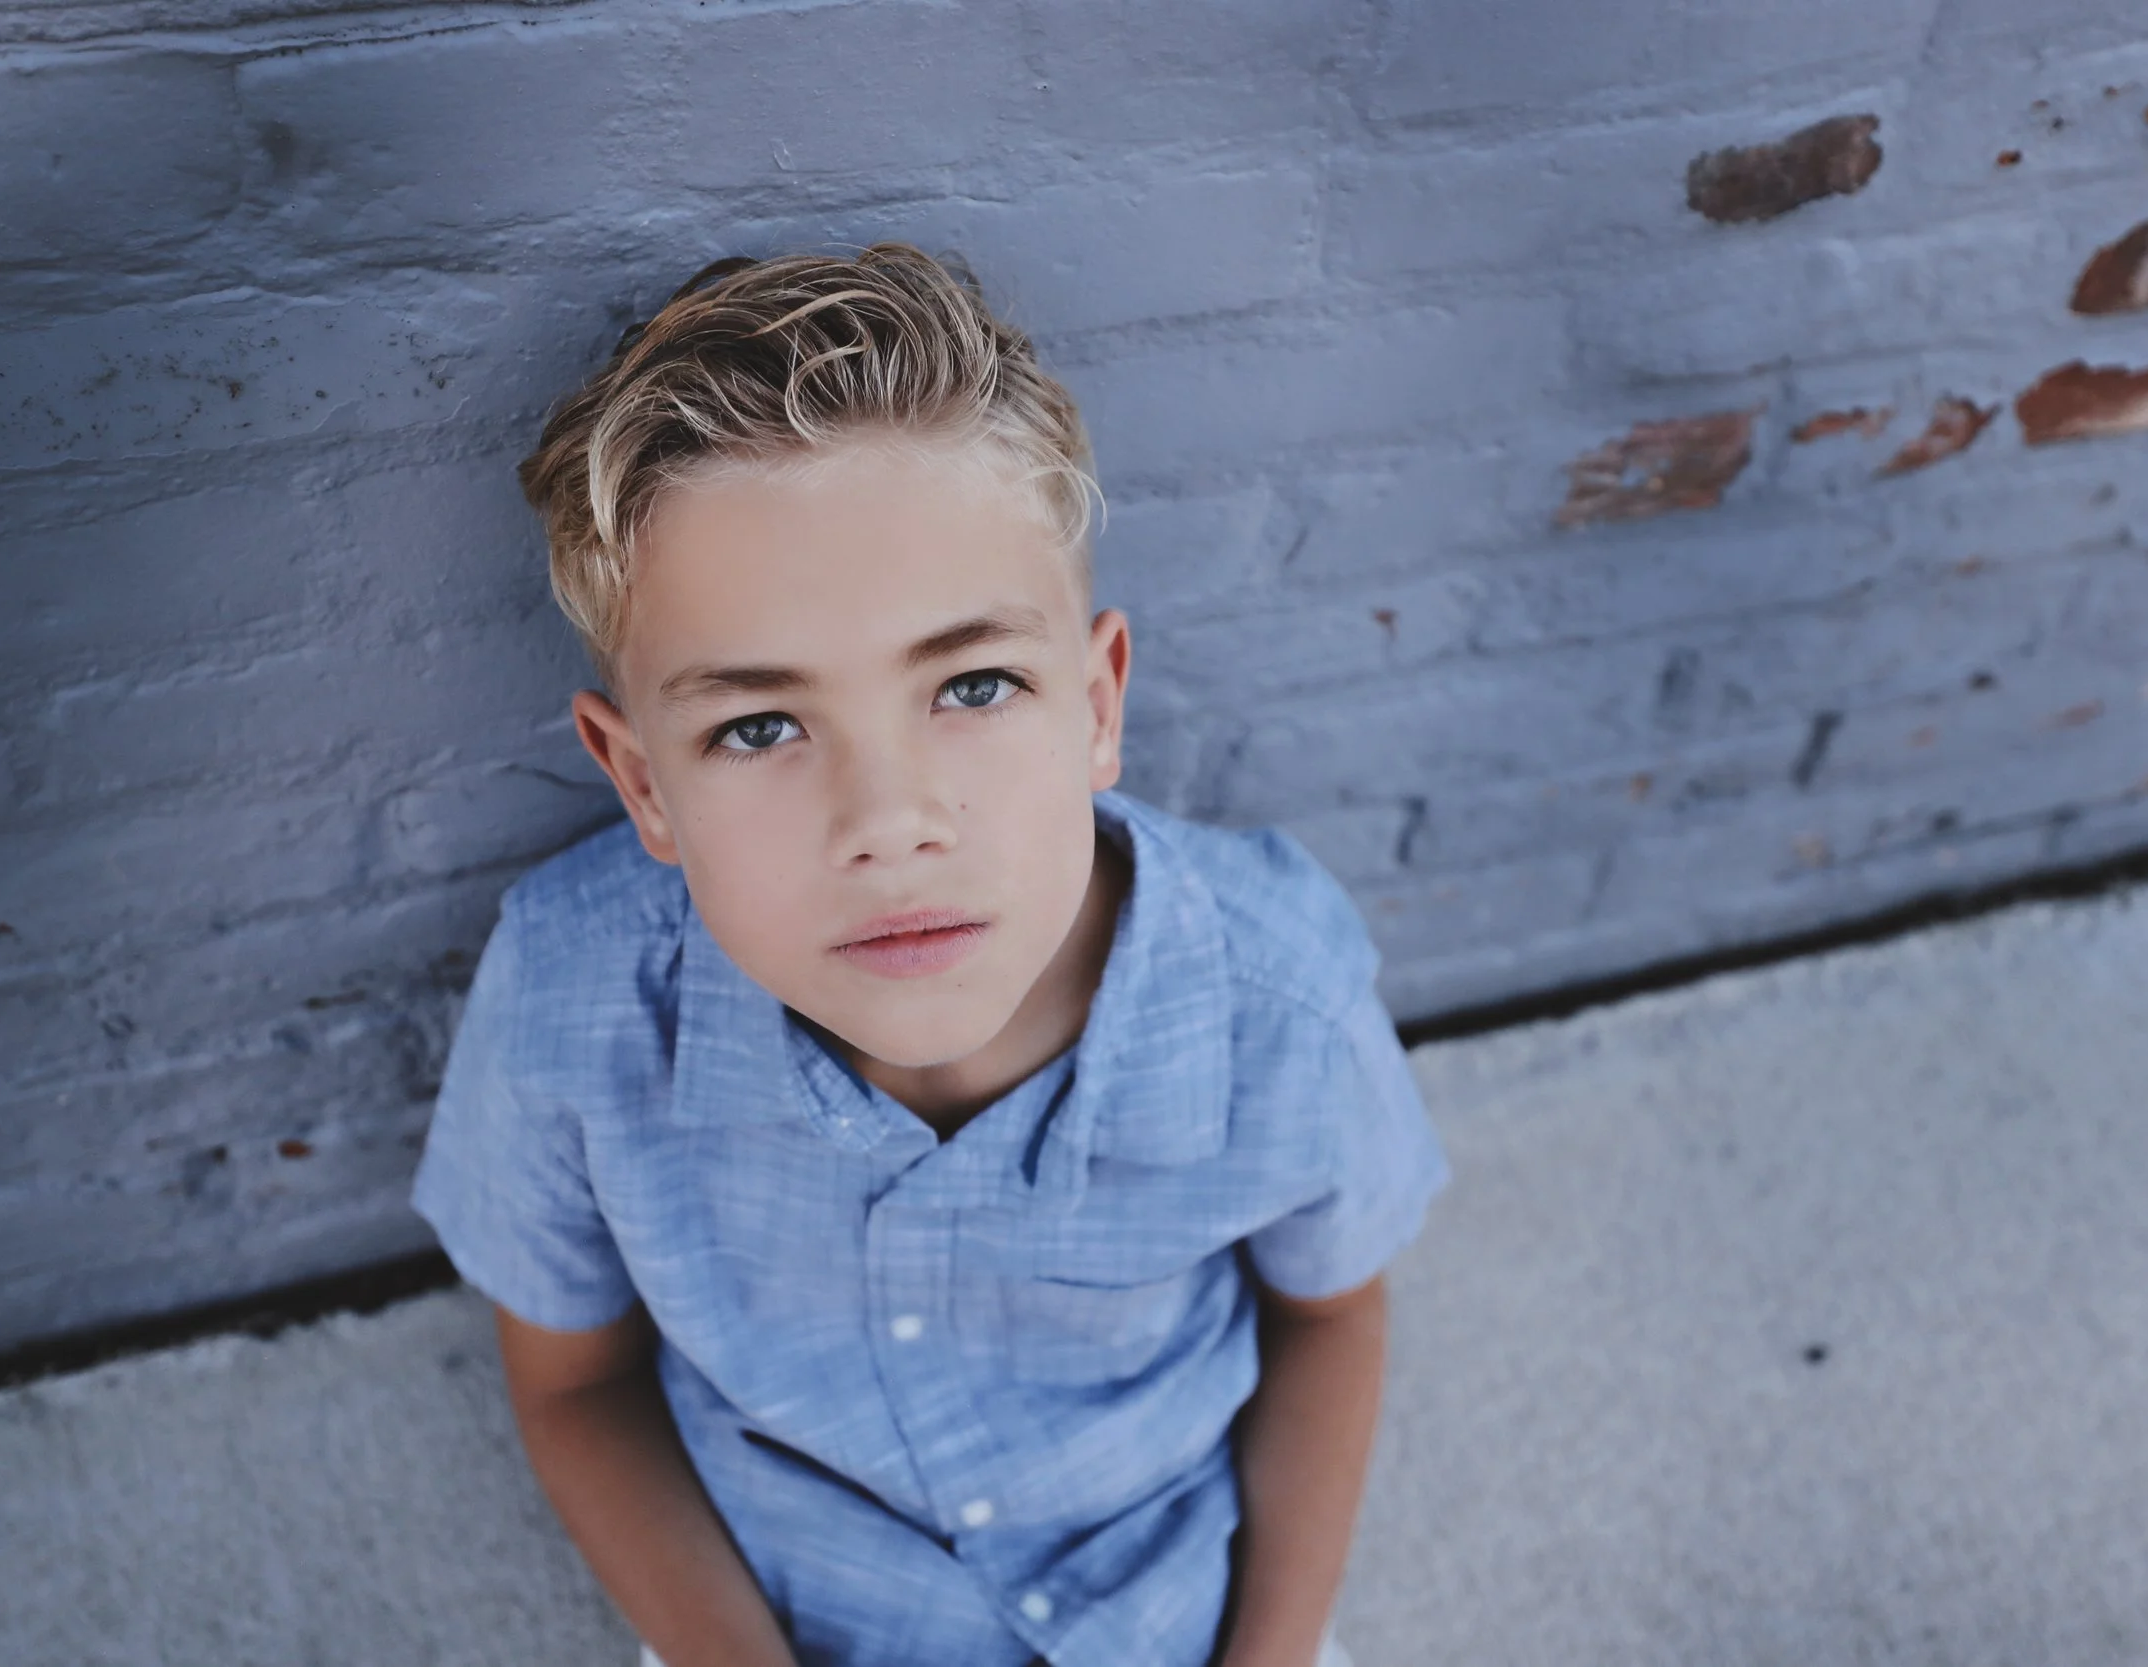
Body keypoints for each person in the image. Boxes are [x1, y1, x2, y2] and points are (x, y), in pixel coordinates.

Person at [409, 243, 1449, 1667]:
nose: (891, 823)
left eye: (973, 684)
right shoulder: (575, 999)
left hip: (1171, 1602)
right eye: (759, 726)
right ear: (641, 780)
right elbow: (577, 1386)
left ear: (1095, 704)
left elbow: (1330, 1315)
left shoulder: (1276, 989)